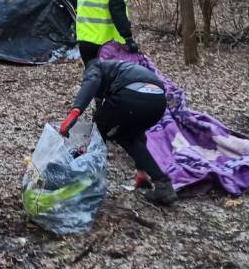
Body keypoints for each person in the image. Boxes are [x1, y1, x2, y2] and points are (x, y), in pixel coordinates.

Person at [58, 59, 177, 205]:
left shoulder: (95, 66)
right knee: (130, 137)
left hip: (132, 95)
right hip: (158, 101)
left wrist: (75, 112)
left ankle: (90, 179)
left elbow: (92, 81)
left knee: (99, 126)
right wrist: (141, 170)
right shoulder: (124, 69)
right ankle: (160, 183)